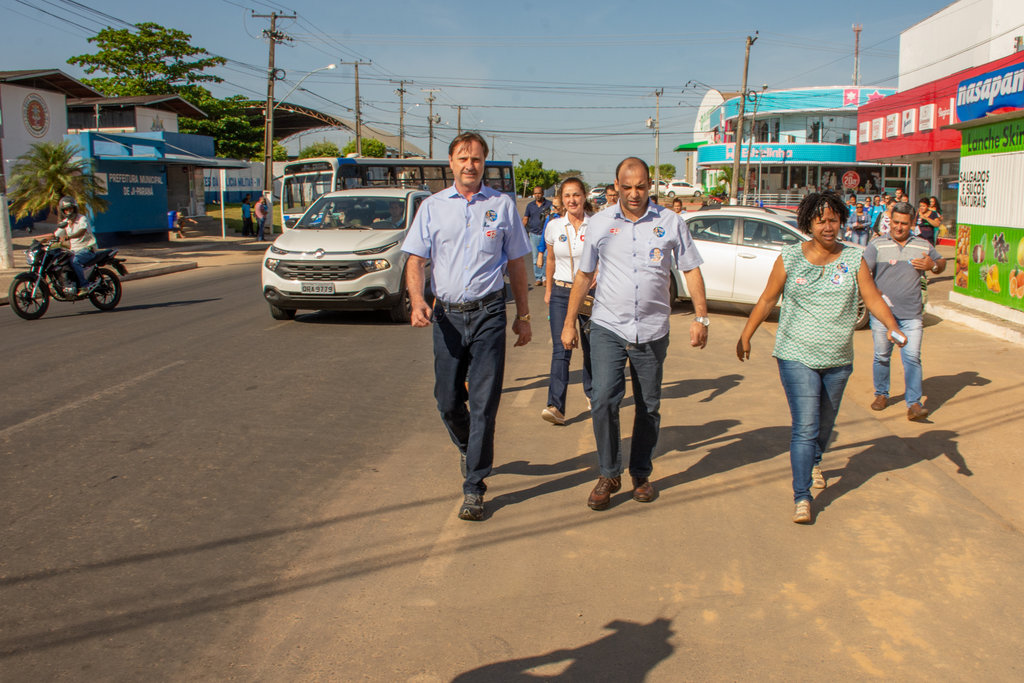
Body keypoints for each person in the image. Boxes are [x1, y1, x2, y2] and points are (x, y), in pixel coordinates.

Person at [736, 191, 905, 524]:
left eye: (833, 219)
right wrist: (746, 333)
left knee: (824, 426)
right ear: (808, 223)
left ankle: (813, 461)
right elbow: (768, 299)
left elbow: (871, 300)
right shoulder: (790, 257)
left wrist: (893, 327)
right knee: (806, 425)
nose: (828, 226)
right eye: (820, 220)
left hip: (838, 357)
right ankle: (802, 496)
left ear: (841, 220)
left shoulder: (854, 259)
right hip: (795, 352)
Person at [561, 157, 709, 511]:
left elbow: (691, 270)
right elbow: (584, 275)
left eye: (640, 187)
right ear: (616, 185)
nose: (634, 194)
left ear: (650, 186)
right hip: (607, 326)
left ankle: (640, 473)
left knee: (649, 406)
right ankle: (609, 473)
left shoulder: (671, 222)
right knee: (604, 400)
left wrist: (701, 318)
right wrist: (569, 322)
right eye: (626, 187)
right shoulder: (599, 223)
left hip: (653, 330)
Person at [401, 132, 533, 522]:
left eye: (476, 159)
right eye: (463, 158)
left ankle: (474, 486)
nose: (469, 165)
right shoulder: (432, 207)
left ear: (484, 163)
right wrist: (418, 299)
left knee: (483, 404)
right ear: (451, 162)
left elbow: (517, 265)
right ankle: (467, 445)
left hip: (490, 313)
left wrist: (523, 317)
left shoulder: (502, 205)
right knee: (446, 399)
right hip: (447, 317)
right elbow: (415, 260)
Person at [864, 201, 946, 421]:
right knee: (881, 356)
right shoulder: (877, 245)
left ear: (912, 224)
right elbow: (864, 275)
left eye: (904, 224)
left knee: (912, 358)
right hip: (883, 315)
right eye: (895, 222)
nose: (898, 227)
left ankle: (914, 404)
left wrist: (933, 266)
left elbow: (941, 262)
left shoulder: (922, 245)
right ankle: (881, 394)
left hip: (911, 315)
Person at [541, 178, 594, 426]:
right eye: (567, 196)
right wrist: (549, 290)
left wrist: (598, 277)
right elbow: (550, 260)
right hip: (562, 293)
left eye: (576, 195)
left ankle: (594, 395)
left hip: (591, 294)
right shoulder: (553, 226)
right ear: (562, 199)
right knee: (561, 348)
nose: (572, 200)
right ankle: (556, 406)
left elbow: (605, 256)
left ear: (584, 197)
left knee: (592, 346)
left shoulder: (596, 225)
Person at [48, 196, 97, 292]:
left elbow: (82, 231)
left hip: (87, 248)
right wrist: (41, 240)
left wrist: (69, 237)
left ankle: (84, 285)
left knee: (75, 261)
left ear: (74, 208)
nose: (68, 211)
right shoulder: (65, 222)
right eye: (66, 210)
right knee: (59, 261)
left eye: (70, 208)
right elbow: (55, 235)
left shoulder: (82, 219)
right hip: (73, 250)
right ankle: (67, 284)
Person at [523, 186, 553, 285]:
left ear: (543, 193)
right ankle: (538, 277)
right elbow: (525, 219)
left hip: (546, 235)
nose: (537, 195)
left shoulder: (549, 205)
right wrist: (521, 232)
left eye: (539, 193)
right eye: (535, 193)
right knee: (536, 257)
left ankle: (545, 278)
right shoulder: (530, 206)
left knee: (545, 256)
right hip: (534, 234)